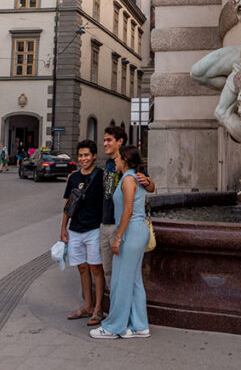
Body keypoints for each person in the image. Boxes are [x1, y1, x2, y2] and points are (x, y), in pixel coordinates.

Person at [90, 145, 151, 340]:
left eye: (117, 158)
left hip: (131, 232)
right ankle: (140, 326)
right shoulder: (133, 177)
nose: (114, 161)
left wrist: (118, 237)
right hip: (136, 232)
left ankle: (114, 326)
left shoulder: (128, 179)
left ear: (125, 160)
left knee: (120, 282)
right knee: (134, 281)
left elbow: (128, 210)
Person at [99, 126, 154, 290]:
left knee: (122, 274)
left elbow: (151, 187)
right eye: (104, 140)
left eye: (109, 140)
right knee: (108, 271)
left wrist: (147, 181)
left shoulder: (132, 167)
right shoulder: (109, 164)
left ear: (120, 141)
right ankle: (114, 302)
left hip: (122, 227)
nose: (105, 144)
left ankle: (122, 304)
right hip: (106, 223)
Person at [59, 140, 105, 326]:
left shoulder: (101, 176)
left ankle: (98, 309)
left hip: (94, 229)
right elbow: (68, 204)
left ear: (94, 156)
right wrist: (63, 227)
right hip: (75, 230)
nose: (83, 159)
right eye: (80, 156)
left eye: (86, 155)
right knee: (82, 268)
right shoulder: (74, 177)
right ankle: (87, 306)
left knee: (96, 268)